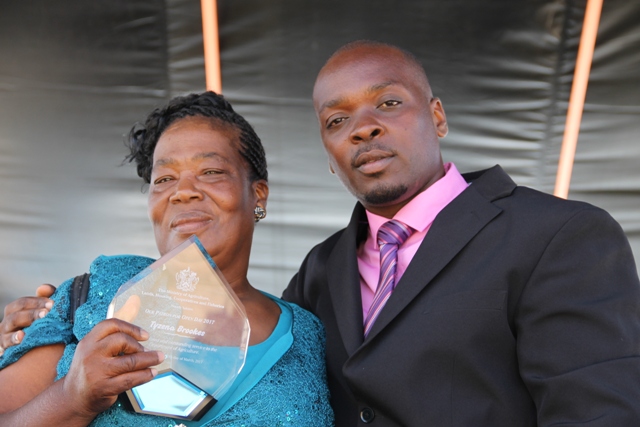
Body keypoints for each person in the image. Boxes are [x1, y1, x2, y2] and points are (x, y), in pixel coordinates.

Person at [4, 40, 640, 426]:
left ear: (436, 114)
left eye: (388, 103)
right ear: (328, 146)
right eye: (338, 119)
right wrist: (54, 338)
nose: (362, 128)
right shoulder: (321, 273)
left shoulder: (561, 235)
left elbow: (599, 412)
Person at [0, 92, 334, 426]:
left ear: (258, 193)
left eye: (211, 171)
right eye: (164, 179)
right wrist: (71, 398)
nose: (183, 190)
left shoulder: (309, 336)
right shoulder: (93, 298)